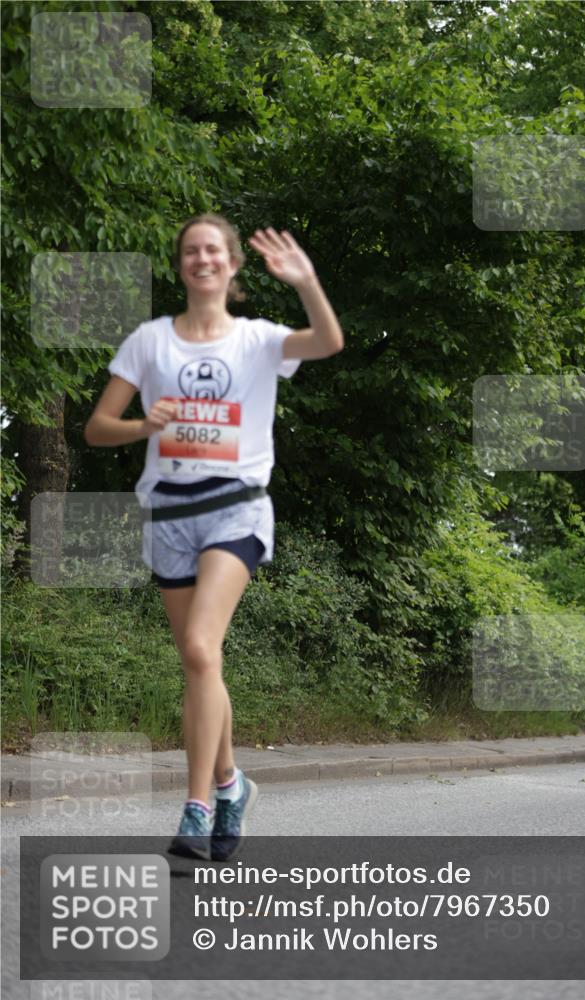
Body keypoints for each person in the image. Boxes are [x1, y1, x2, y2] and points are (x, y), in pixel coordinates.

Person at [84, 214, 344, 860]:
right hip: (168, 515)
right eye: (190, 251)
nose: (202, 259)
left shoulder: (258, 340)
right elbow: (96, 428)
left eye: (213, 250)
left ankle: (196, 808)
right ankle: (231, 784)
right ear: (181, 266)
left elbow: (329, 342)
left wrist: (306, 280)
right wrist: (146, 425)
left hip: (237, 509)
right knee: (201, 663)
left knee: (201, 646)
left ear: (232, 266)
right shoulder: (149, 342)